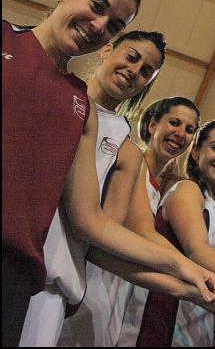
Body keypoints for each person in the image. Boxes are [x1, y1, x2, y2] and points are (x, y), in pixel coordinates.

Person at [2, 0, 215, 347]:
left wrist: (184, 269)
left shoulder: (79, 106)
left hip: (17, 275)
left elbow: (91, 222)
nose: (99, 24)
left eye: (114, 24)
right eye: (97, 5)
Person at [19, 30, 166, 347]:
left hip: (50, 286)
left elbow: (102, 235)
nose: (134, 71)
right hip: (11, 258)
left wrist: (185, 275)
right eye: (131, 57)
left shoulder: (126, 151)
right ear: (107, 49)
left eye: (145, 72)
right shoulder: (51, 92)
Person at [116, 97, 215, 347]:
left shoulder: (157, 187)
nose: (180, 133)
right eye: (174, 123)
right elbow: (186, 247)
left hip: (123, 294)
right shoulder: (140, 165)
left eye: (189, 129)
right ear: (152, 125)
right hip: (118, 295)